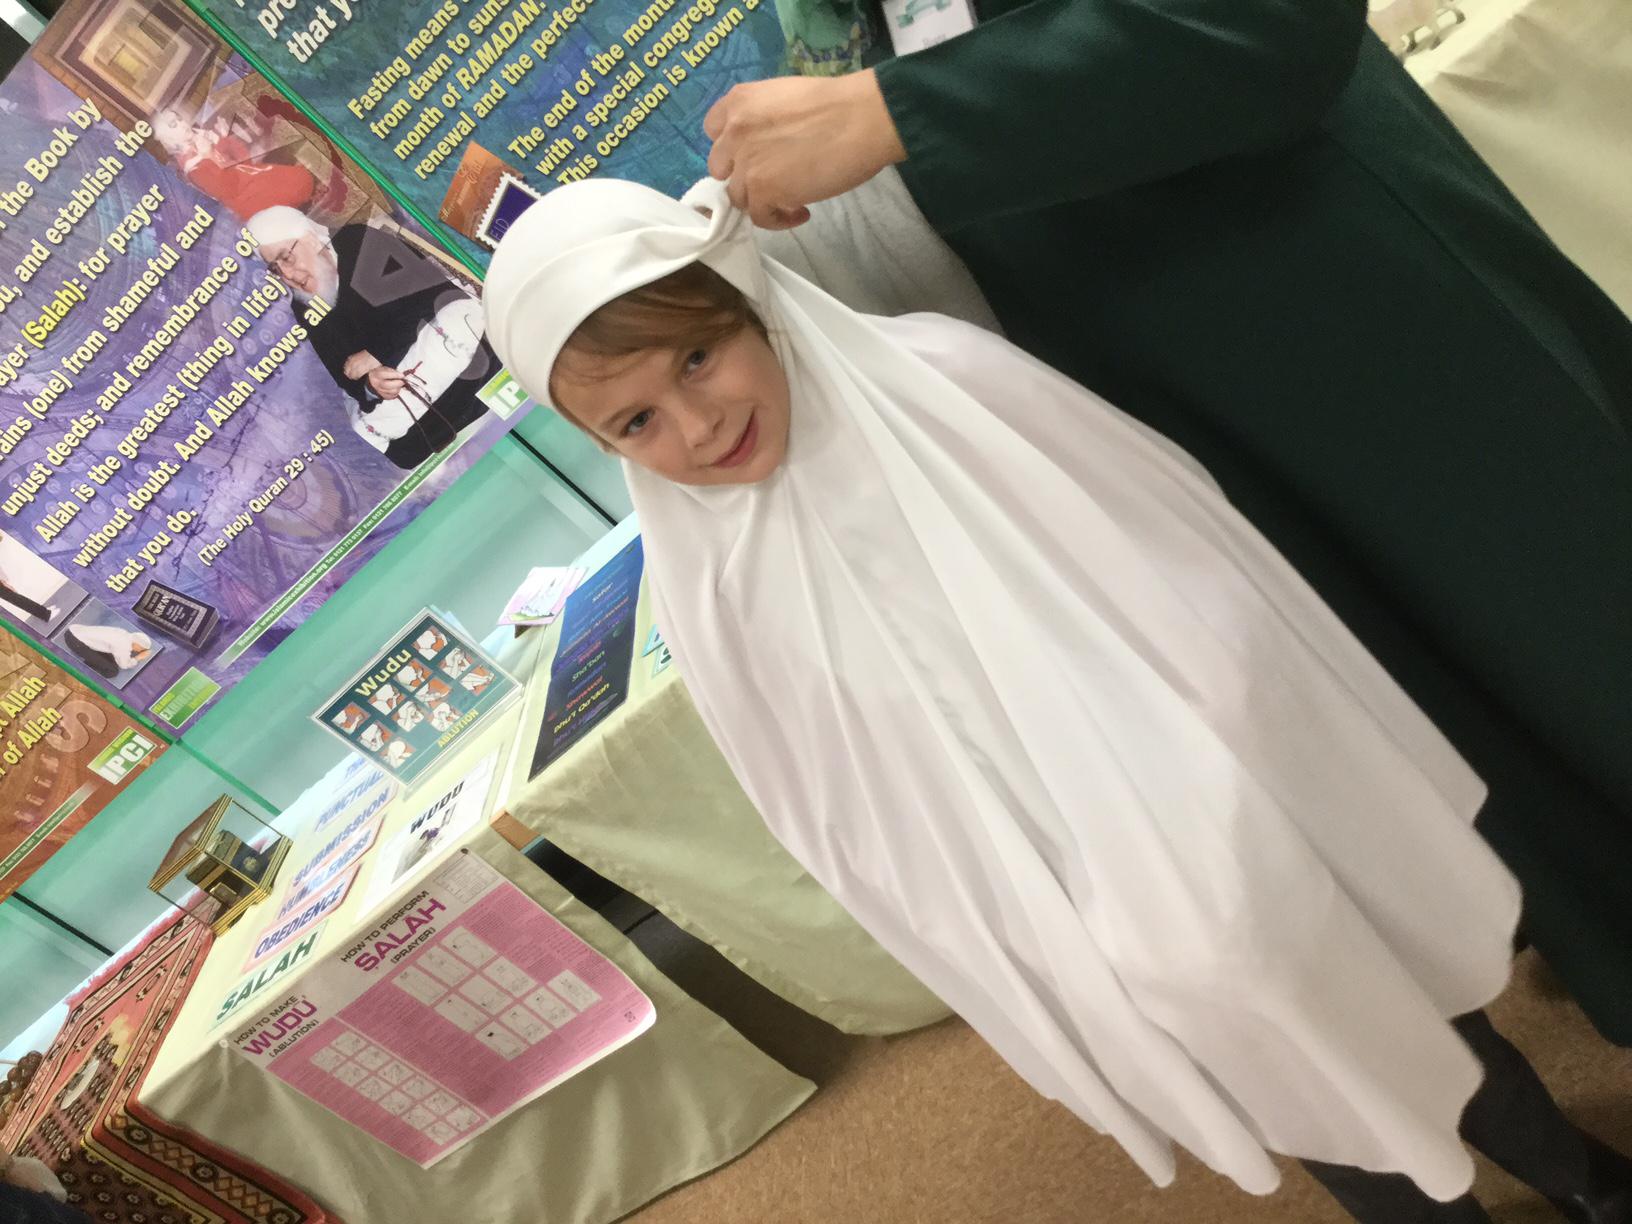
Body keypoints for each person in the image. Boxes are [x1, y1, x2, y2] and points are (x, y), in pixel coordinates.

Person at [482, 177, 1632, 1224]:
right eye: (636, 422)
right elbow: (828, 795)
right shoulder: (711, 591)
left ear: (746, 302)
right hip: (1046, 878)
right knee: (1261, 1053)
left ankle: (1570, 1170)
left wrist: (1220, 774)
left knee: (1353, 980)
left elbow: (1182, 558)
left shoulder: (950, 382)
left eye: (698, 359)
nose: (696, 427)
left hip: (1207, 784)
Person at [700, 0, 1632, 1052]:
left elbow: (1268, 24)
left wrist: (898, 112)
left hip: (1337, 289)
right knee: (1449, 705)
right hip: (1125, 350)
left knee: (1567, 619)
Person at [245, 207, 499, 469]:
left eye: (286, 258)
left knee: (453, 329)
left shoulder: (358, 241)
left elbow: (428, 299)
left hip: (437, 331)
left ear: (310, 239)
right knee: (364, 429)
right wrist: (372, 385)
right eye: (275, 268)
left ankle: (439, 417)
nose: (287, 275)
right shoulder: (304, 306)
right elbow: (344, 374)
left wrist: (377, 355)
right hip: (400, 376)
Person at [62, 624, 151, 681]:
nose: (139, 651)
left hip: (74, 630)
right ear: (137, 644)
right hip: (75, 642)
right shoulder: (123, 645)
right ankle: (83, 669)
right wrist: (139, 657)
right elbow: (124, 665)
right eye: (141, 649)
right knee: (112, 671)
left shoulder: (124, 633)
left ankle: (92, 660)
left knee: (112, 659)